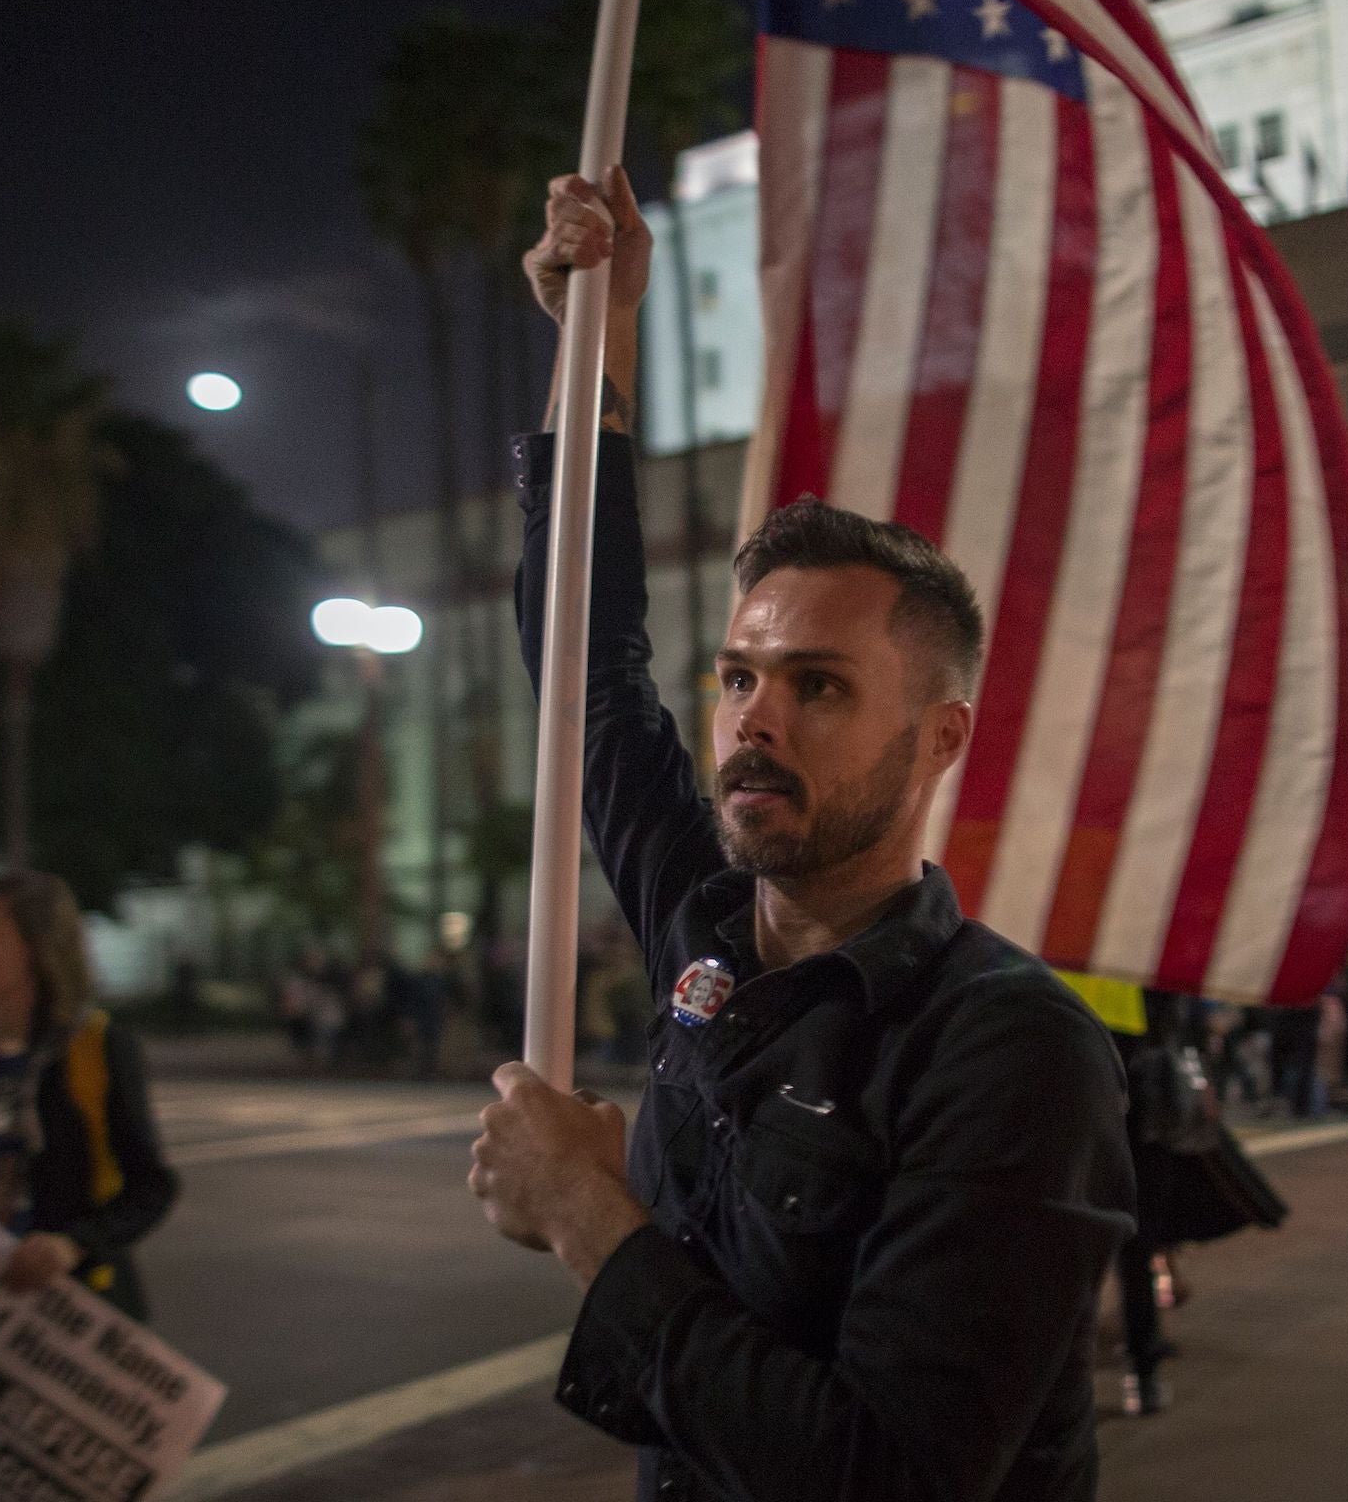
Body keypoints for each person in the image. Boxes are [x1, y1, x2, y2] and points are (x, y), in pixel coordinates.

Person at [469, 169, 1135, 1502]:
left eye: (818, 685)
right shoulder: (703, 929)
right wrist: (591, 342)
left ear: (939, 738)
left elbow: (884, 1473)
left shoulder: (1008, 1047)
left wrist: (591, 1216)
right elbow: (588, 673)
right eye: (738, 678)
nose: (754, 720)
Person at [0, 871, 178, 1368]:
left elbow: (152, 1188)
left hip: (75, 1326)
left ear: (39, 947)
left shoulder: (96, 1047)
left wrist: (71, 1247)